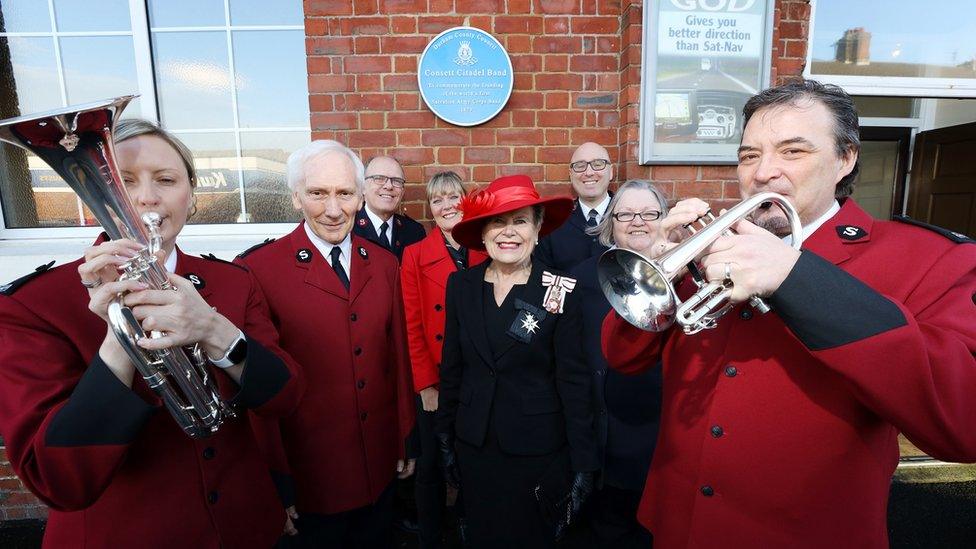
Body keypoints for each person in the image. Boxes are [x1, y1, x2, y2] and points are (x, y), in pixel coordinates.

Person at [602, 80, 976, 548]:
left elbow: (964, 423)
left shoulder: (927, 258)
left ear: (845, 159)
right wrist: (660, 264)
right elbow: (623, 357)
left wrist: (796, 278)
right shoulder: (710, 246)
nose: (763, 173)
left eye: (792, 151)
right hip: (681, 526)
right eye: (749, 155)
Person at [0, 119, 304, 548]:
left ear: (192, 195)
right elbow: (59, 482)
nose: (145, 197)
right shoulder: (32, 304)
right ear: (90, 196)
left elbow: (284, 397)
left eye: (166, 179)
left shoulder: (233, 281)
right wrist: (119, 335)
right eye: (122, 181)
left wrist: (213, 328)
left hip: (244, 526)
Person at [236, 140, 416, 549]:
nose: (333, 209)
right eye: (318, 193)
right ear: (297, 197)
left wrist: (405, 437)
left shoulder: (385, 263)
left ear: (360, 196)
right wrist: (275, 482)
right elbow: (257, 388)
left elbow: (398, 359)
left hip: (378, 467)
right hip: (310, 480)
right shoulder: (257, 270)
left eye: (344, 193)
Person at [435, 174, 599, 548]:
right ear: (482, 231)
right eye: (497, 222)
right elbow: (453, 366)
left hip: (536, 451)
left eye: (520, 221)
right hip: (475, 447)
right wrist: (444, 434)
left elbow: (573, 381)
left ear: (538, 228)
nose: (508, 233)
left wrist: (584, 463)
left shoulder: (558, 288)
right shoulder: (460, 286)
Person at [570, 179, 666, 548]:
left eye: (649, 213)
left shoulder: (692, 275)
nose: (637, 221)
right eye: (625, 214)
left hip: (664, 438)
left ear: (664, 218)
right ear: (611, 223)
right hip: (605, 437)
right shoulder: (579, 277)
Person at [400, 171, 488, 548]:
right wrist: (426, 384)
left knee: (476, 460)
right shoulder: (415, 254)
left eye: (453, 197)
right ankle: (431, 537)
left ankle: (475, 530)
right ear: (430, 208)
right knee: (432, 466)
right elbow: (413, 324)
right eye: (437, 200)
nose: (446, 205)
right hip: (437, 378)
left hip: (481, 376)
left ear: (466, 201)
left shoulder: (487, 246)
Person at [535, 142, 613, 271]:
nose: (589, 172)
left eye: (598, 164)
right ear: (570, 174)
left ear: (611, 172)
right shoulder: (553, 225)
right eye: (580, 166)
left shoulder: (629, 216)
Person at [354, 155, 426, 261]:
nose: (389, 186)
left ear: (402, 192)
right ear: (363, 187)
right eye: (379, 178)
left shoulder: (414, 233)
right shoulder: (348, 229)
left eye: (397, 181)